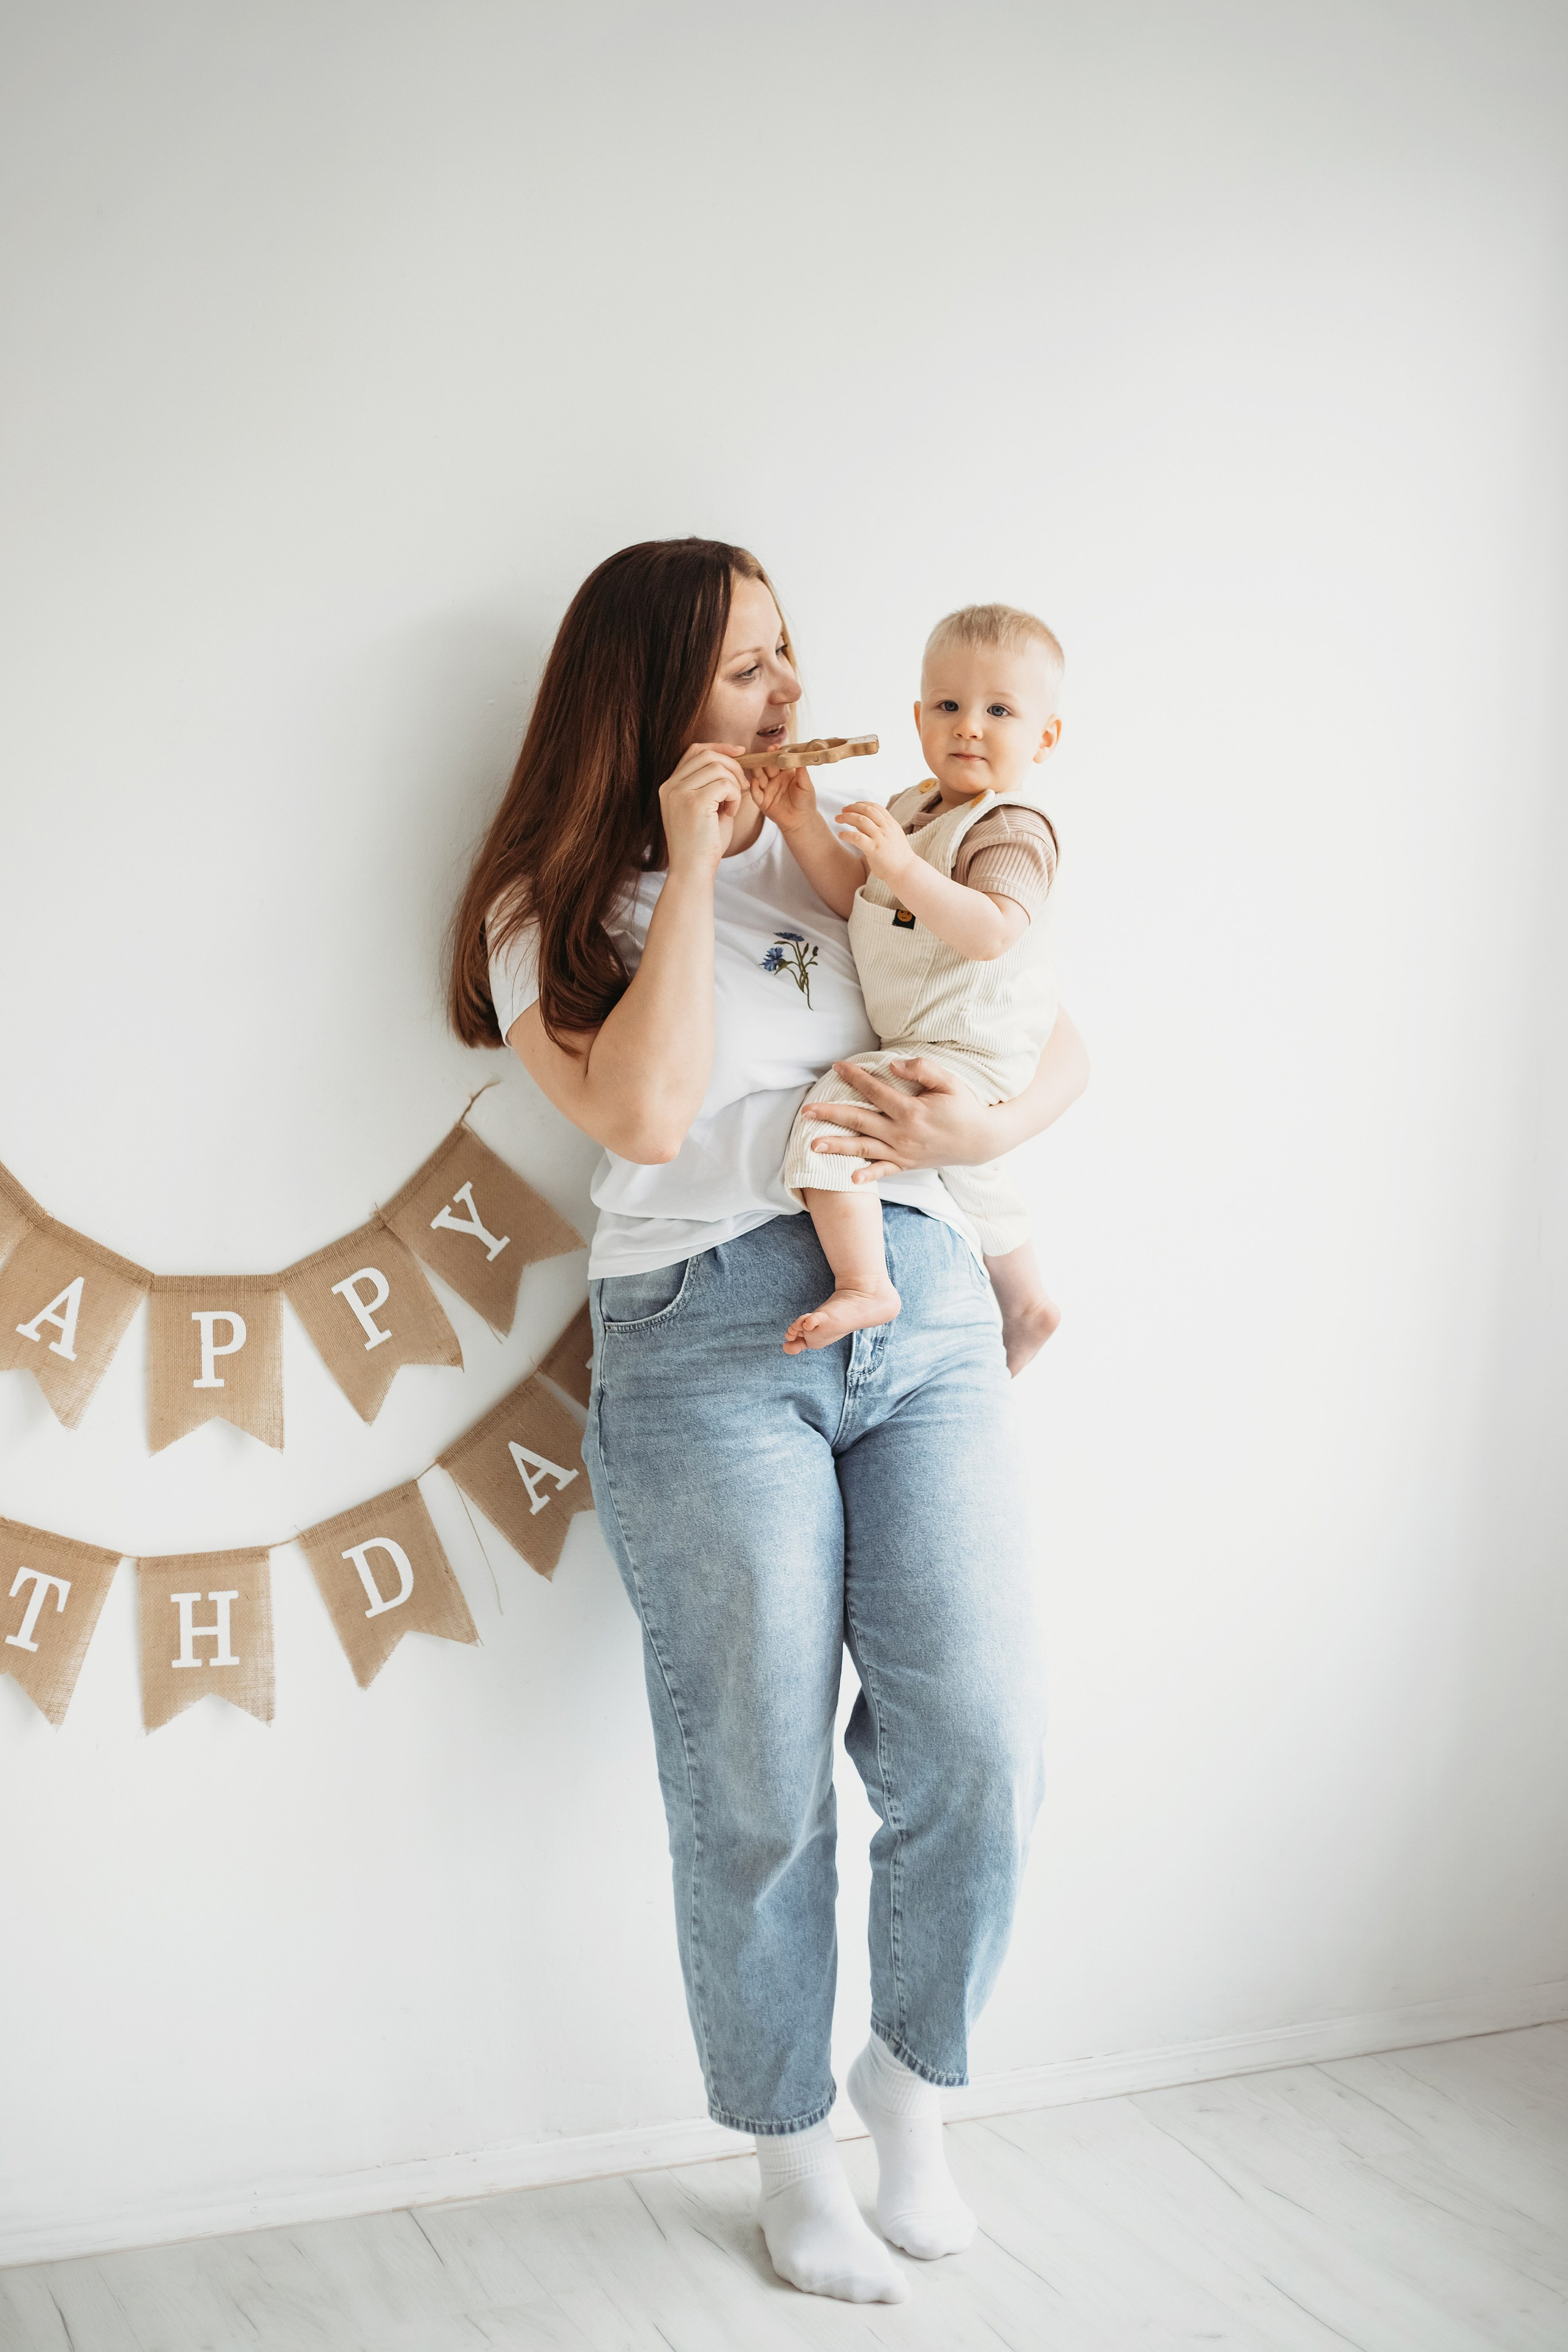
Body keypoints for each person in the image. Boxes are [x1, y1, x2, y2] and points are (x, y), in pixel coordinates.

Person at [448, 538, 1090, 2306]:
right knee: (752, 1781)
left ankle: (913, 2082)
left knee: (978, 1742)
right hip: (703, 1332)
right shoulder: (551, 903)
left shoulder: (857, 854)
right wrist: (677, 854)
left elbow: (1047, 1040)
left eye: (791, 654)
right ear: (650, 696)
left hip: (925, 1308)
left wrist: (970, 1152)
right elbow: (649, 1119)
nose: (790, 694)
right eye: (747, 669)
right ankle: (791, 2148)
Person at [764, 601, 1066, 1373]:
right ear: (918, 716)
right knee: (974, 1169)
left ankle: (865, 1282)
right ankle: (1029, 1303)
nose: (969, 726)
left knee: (836, 1106)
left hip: (969, 1039)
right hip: (932, 1038)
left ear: (1046, 736)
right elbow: (857, 903)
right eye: (948, 706)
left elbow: (992, 930)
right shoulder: (908, 810)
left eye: (999, 709)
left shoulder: (1011, 827)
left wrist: (902, 865)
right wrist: (803, 825)